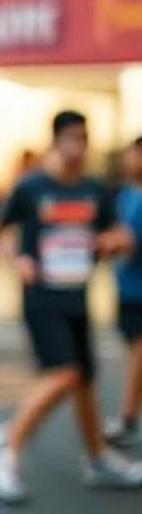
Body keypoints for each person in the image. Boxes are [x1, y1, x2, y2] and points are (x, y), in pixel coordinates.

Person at [0, 110, 142, 504]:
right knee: (66, 373)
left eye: (85, 138)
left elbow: (119, 232)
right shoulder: (32, 187)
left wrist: (114, 242)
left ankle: (98, 458)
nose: (80, 146)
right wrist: (13, 260)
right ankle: (7, 443)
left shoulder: (93, 189)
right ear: (56, 140)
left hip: (77, 297)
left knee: (84, 378)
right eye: (73, 138)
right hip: (42, 299)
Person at [106, 135, 142, 449]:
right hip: (128, 289)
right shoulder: (125, 196)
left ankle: (128, 418)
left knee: (138, 356)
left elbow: (125, 240)